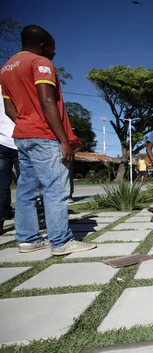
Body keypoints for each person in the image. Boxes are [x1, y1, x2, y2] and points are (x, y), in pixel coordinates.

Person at [0, 25, 96, 255]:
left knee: (25, 189)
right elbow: (47, 101)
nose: (54, 54)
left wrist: (25, 123)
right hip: (46, 135)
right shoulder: (40, 63)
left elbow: (9, 109)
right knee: (55, 188)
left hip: (23, 135)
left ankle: (28, 239)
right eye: (52, 49)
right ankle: (61, 241)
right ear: (42, 46)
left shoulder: (5, 69)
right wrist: (62, 139)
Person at [0, 83, 18, 235]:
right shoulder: (16, 88)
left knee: (1, 184)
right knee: (27, 184)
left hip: (2, 142)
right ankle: (29, 220)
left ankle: (1, 219)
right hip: (20, 139)